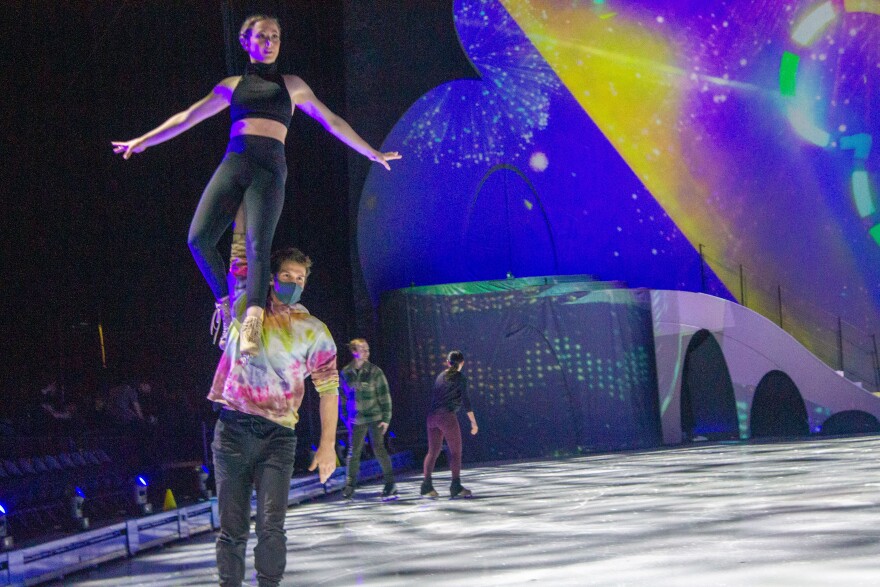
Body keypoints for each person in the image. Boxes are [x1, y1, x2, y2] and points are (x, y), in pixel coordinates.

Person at [112, 14, 401, 355]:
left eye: (275, 36)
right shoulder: (233, 86)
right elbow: (189, 116)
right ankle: (223, 301)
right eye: (262, 36)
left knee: (257, 246)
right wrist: (144, 141)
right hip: (235, 164)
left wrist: (370, 152)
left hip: (269, 170)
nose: (269, 42)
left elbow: (331, 120)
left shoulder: (292, 85)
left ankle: (252, 322)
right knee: (198, 238)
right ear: (245, 42)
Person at [208, 234, 338, 587]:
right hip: (233, 429)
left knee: (271, 525)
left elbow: (328, 390)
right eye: (287, 277)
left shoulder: (314, 331)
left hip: (278, 437)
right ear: (271, 277)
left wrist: (327, 445)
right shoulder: (245, 310)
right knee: (232, 527)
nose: (294, 284)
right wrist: (247, 209)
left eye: (300, 279)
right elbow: (239, 260)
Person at [339, 338, 396, 500]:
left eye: (367, 349)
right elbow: (342, 397)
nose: (366, 352)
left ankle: (390, 483)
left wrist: (386, 418)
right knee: (354, 452)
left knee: (379, 448)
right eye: (362, 349)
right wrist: (345, 417)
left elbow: (385, 396)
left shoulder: (375, 371)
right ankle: (350, 485)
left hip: (375, 416)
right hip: (356, 419)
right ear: (354, 351)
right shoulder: (346, 372)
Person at [421, 350, 478, 499]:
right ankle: (455, 485)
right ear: (462, 363)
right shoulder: (460, 377)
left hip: (432, 418)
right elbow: (466, 401)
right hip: (446, 417)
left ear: (447, 362)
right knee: (455, 452)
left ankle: (426, 485)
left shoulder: (440, 376)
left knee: (432, 451)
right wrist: (473, 423)